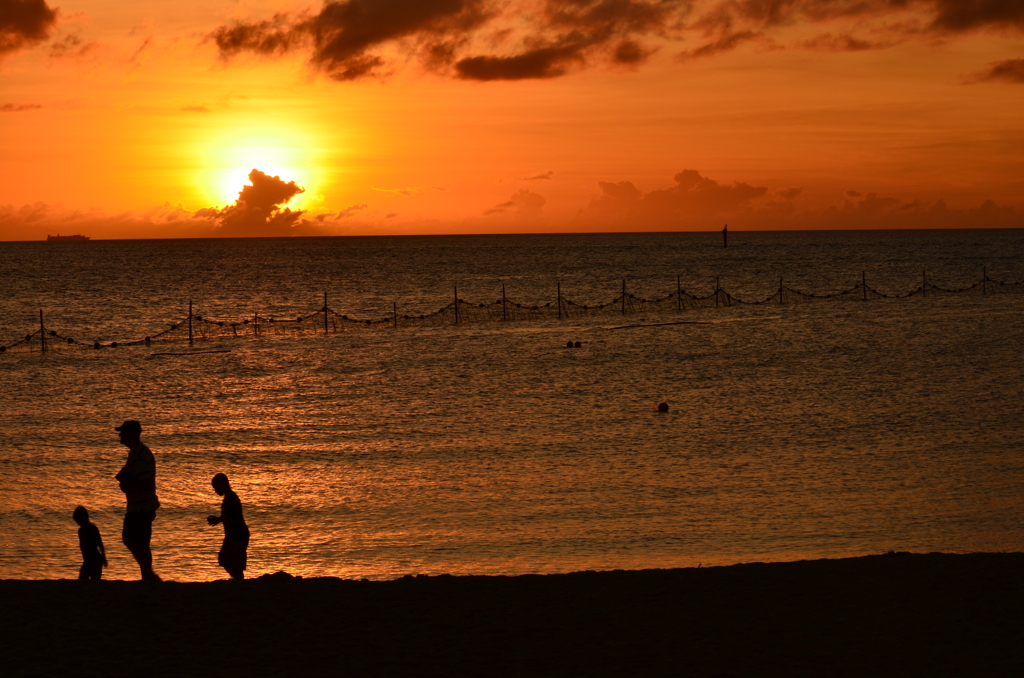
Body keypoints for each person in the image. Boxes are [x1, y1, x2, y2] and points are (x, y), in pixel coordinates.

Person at [114, 420, 161, 581]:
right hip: (142, 505)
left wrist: (128, 487)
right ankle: (147, 574)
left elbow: (145, 482)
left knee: (132, 540)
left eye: (123, 432)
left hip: (140, 507)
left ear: (132, 434)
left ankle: (148, 574)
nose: (120, 435)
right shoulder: (138, 453)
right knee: (139, 542)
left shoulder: (139, 455)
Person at [207, 473, 250, 580]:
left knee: (232, 561)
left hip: (238, 535)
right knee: (225, 559)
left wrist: (219, 519)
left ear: (224, 485)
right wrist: (219, 519)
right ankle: (238, 580)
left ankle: (239, 581)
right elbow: (228, 515)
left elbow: (233, 517)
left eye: (216, 488)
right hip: (233, 535)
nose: (216, 491)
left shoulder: (231, 498)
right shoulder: (229, 498)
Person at [73, 506, 107, 580]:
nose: (78, 523)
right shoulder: (94, 527)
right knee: (95, 580)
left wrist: (86, 561)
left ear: (83, 517)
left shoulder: (82, 530)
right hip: (98, 559)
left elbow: (83, 546)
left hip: (90, 559)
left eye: (78, 521)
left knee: (83, 579)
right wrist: (104, 558)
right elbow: (100, 544)